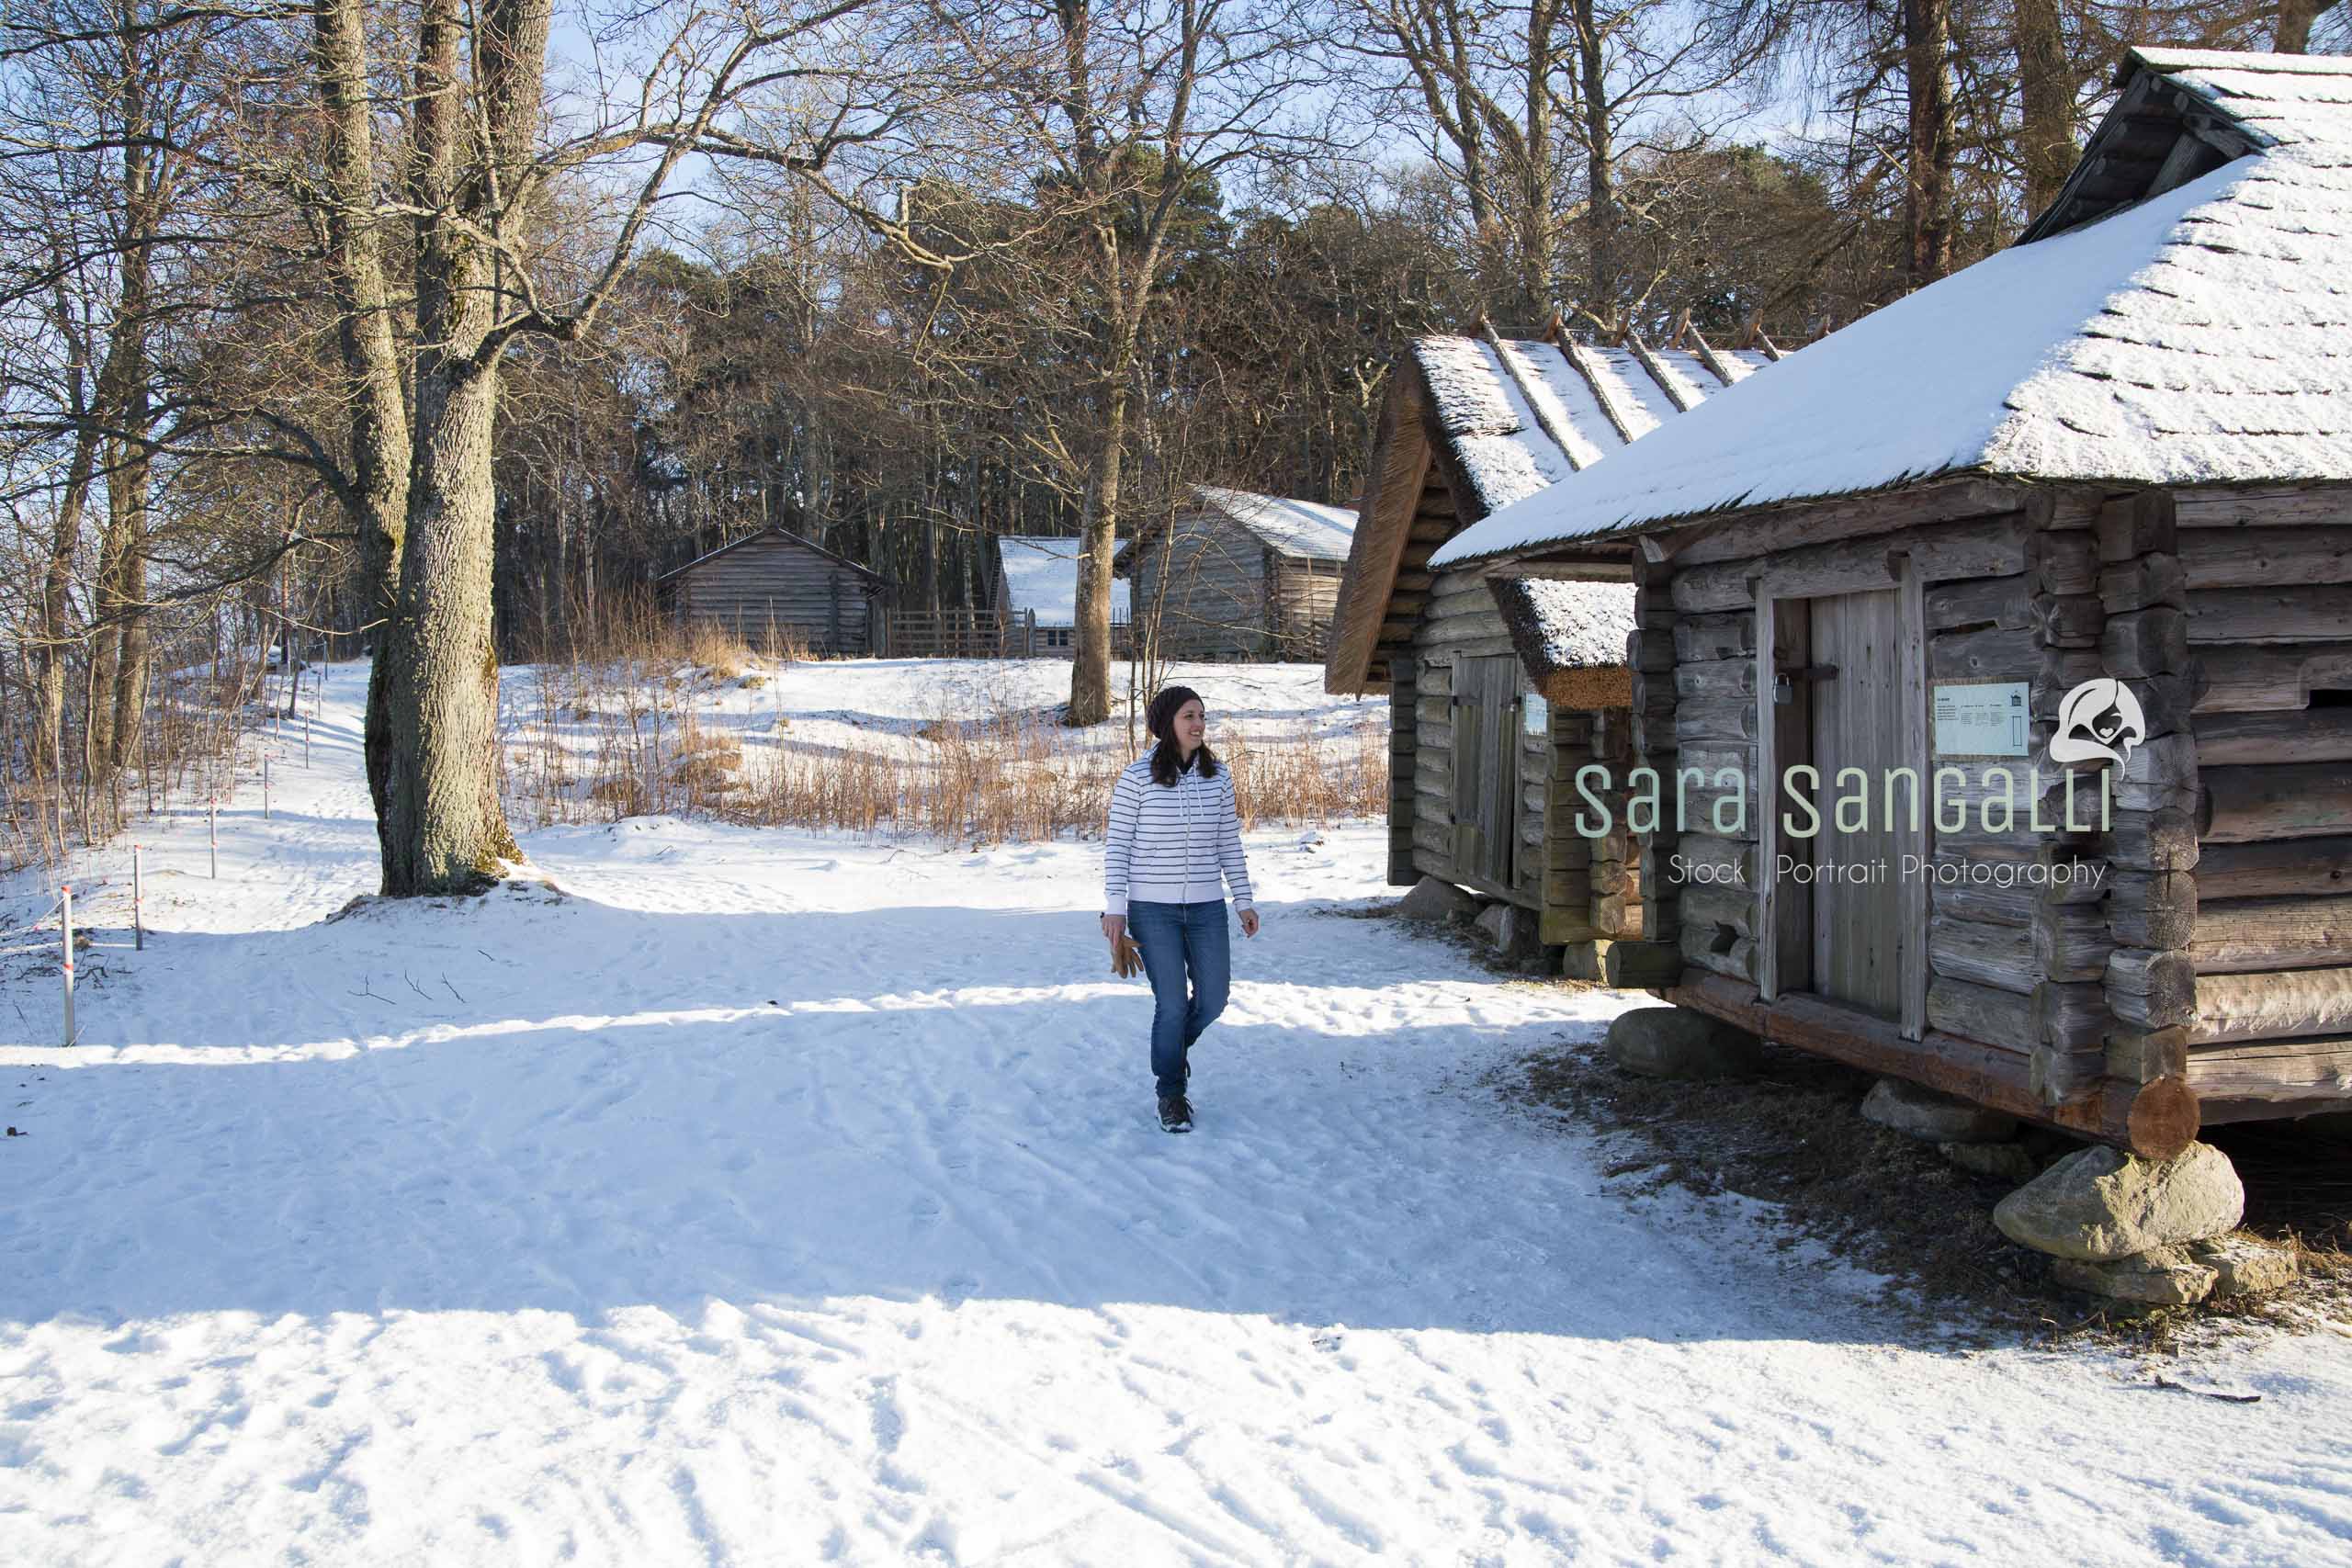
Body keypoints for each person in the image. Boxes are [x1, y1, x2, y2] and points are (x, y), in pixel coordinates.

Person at [1101, 685, 1260, 1133]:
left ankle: (1173, 1050)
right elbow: (1118, 848)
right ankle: (1171, 1092)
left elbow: (1229, 841)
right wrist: (1115, 910)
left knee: (1213, 999)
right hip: (1153, 910)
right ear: (1168, 722)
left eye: (1202, 717)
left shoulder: (1219, 776)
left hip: (1207, 907)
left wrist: (1242, 900)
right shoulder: (1136, 778)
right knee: (1171, 1005)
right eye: (1189, 716)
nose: (1198, 725)